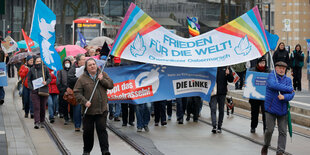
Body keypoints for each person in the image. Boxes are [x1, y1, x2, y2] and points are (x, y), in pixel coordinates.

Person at [74, 58, 113, 155]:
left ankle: (105, 151)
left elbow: (111, 85)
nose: (92, 66)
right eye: (90, 65)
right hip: (88, 111)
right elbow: (77, 93)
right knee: (88, 132)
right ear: (86, 68)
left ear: (96, 65)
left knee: (102, 131)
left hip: (101, 110)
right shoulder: (82, 79)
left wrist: (102, 80)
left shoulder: (103, 74)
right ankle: (86, 151)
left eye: (93, 64)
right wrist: (84, 101)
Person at [261, 61, 295, 155]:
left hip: (282, 109)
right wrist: (288, 89)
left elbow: (292, 94)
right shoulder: (271, 76)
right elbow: (273, 85)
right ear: (275, 68)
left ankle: (280, 151)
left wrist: (284, 97)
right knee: (269, 130)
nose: (281, 70)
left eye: (283, 68)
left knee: (283, 132)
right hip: (270, 109)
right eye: (279, 68)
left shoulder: (288, 80)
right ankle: (266, 145)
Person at [27, 57, 51, 129]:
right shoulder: (32, 70)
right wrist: (32, 88)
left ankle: (42, 121)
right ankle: (36, 122)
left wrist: (46, 82)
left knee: (43, 107)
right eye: (37, 61)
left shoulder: (45, 69)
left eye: (40, 61)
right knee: (37, 107)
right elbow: (29, 80)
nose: (38, 63)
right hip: (35, 91)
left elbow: (49, 78)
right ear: (35, 62)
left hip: (43, 90)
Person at [249, 56, 270, 133]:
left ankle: (266, 129)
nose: (262, 64)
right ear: (258, 63)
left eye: (263, 63)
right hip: (254, 96)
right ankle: (253, 126)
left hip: (265, 97)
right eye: (261, 63)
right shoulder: (253, 70)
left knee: (265, 114)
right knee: (254, 112)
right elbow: (249, 81)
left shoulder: (268, 71)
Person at [209, 66, 233, 133]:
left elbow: (231, 80)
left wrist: (228, 74)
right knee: (213, 108)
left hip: (222, 92)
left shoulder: (226, 67)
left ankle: (219, 126)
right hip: (213, 92)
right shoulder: (212, 66)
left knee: (221, 109)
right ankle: (214, 126)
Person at [68, 54, 86, 131]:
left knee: (86, 108)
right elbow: (70, 79)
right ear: (79, 61)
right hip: (77, 91)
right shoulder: (73, 69)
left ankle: (86, 125)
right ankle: (77, 125)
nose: (84, 61)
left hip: (86, 91)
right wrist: (79, 78)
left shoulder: (86, 68)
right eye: (83, 59)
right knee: (77, 109)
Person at [57, 58, 72, 125]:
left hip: (72, 91)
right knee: (64, 105)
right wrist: (62, 89)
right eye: (66, 62)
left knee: (72, 105)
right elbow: (58, 82)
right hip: (63, 91)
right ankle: (66, 118)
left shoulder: (72, 70)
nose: (67, 63)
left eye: (68, 62)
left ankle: (71, 117)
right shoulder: (61, 71)